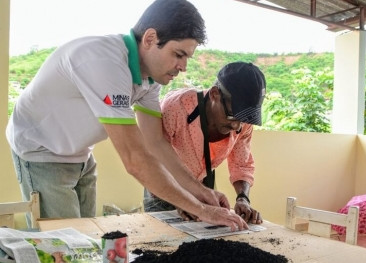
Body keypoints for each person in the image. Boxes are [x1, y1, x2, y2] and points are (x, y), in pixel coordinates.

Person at [6, 0, 247, 231]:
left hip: (80, 155)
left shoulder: (151, 79)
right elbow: (135, 158)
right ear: (151, 39)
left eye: (187, 58)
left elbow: (155, 144)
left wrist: (202, 193)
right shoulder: (105, 63)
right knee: (62, 247)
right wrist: (201, 210)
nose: (183, 66)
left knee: (87, 240)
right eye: (178, 54)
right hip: (41, 151)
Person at [144, 62, 266, 224]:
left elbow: (241, 164)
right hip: (164, 187)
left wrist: (243, 198)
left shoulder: (242, 121)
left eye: (242, 120)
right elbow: (152, 159)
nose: (236, 126)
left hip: (203, 188)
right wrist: (183, 201)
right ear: (215, 94)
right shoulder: (176, 107)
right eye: (232, 116)